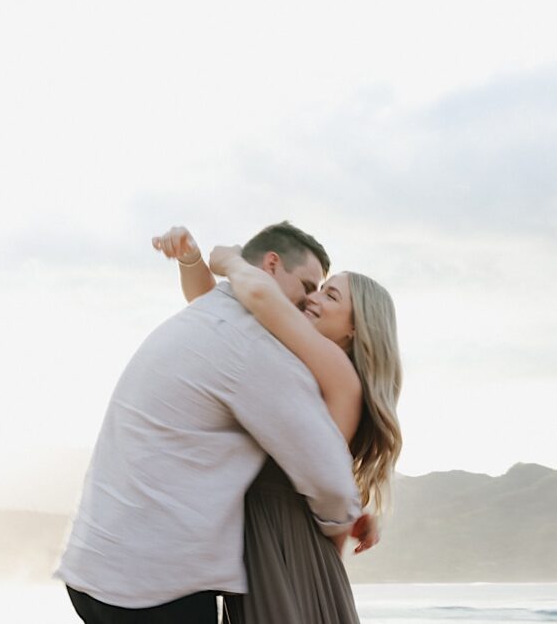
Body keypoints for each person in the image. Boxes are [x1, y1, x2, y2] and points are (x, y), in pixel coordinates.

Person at [56, 222, 363, 624]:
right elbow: (330, 482)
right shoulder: (255, 346)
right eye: (307, 286)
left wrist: (196, 260)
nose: (308, 302)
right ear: (270, 266)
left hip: (94, 568)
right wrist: (343, 520)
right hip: (154, 589)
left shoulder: (208, 315)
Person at [153, 224, 403, 624]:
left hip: (287, 557)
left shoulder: (337, 374)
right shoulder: (290, 361)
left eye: (330, 294)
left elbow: (326, 490)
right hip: (267, 549)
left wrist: (228, 260)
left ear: (356, 328)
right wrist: (190, 260)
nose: (311, 297)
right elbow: (212, 307)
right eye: (317, 287)